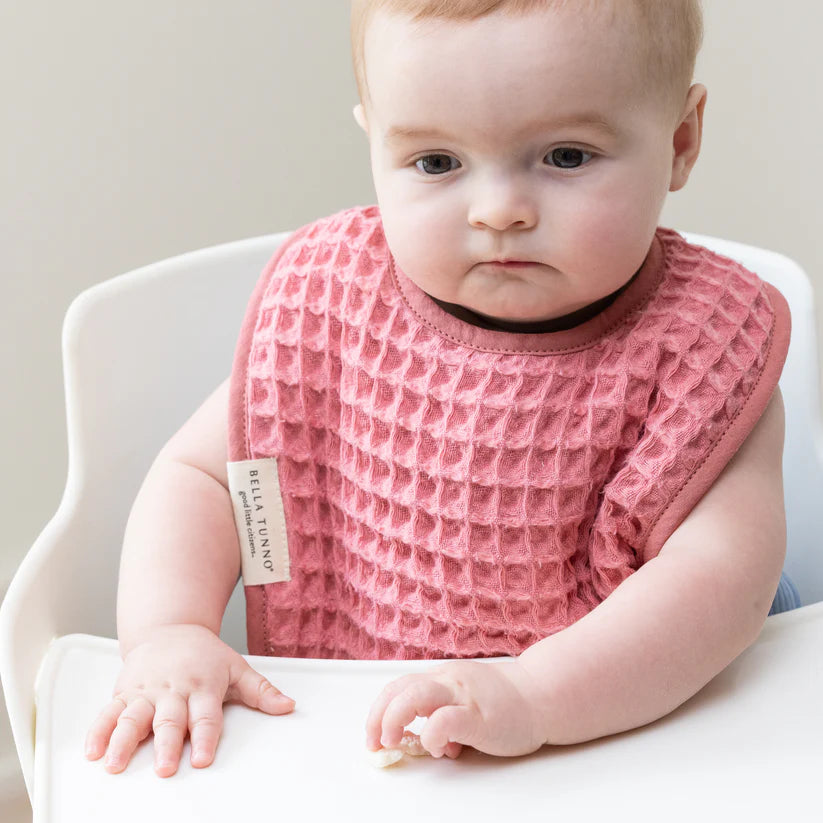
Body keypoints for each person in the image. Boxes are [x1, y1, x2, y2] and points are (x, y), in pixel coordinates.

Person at [85, 0, 796, 777]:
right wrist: (170, 630)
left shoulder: (702, 348)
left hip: (634, 721)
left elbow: (718, 580)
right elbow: (208, 477)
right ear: (374, 142)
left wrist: (535, 693)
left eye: (565, 156)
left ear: (680, 141)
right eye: (435, 162)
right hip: (375, 733)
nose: (499, 211)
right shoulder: (332, 306)